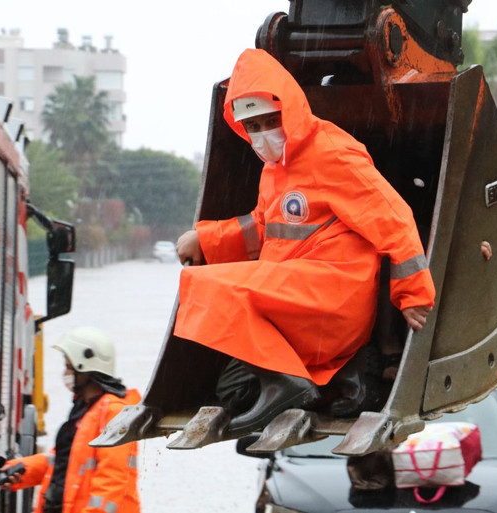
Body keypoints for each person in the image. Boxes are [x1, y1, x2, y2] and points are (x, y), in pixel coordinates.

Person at [174, 48, 436, 432]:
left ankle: (289, 384)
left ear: (290, 109)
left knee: (201, 287)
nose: (263, 134)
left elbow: (394, 220)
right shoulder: (275, 169)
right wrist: (206, 238)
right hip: (299, 298)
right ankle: (332, 380)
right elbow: (265, 228)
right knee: (234, 391)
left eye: (269, 120)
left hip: (332, 296)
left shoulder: (332, 153)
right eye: (253, 126)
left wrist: (414, 296)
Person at [1, 327, 141, 513]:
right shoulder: (86, 410)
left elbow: (111, 480)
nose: (65, 373)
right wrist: (19, 469)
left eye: (68, 367)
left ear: (85, 368)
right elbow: (61, 460)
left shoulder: (113, 413)